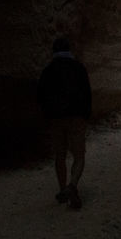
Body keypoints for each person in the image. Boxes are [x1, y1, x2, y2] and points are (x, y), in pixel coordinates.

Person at [37, 37, 92, 209]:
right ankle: (72, 185)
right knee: (79, 155)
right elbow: (87, 92)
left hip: (56, 119)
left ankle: (63, 189)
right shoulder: (79, 68)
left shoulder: (48, 71)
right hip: (76, 117)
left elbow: (41, 96)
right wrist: (86, 115)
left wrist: (47, 116)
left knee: (59, 156)